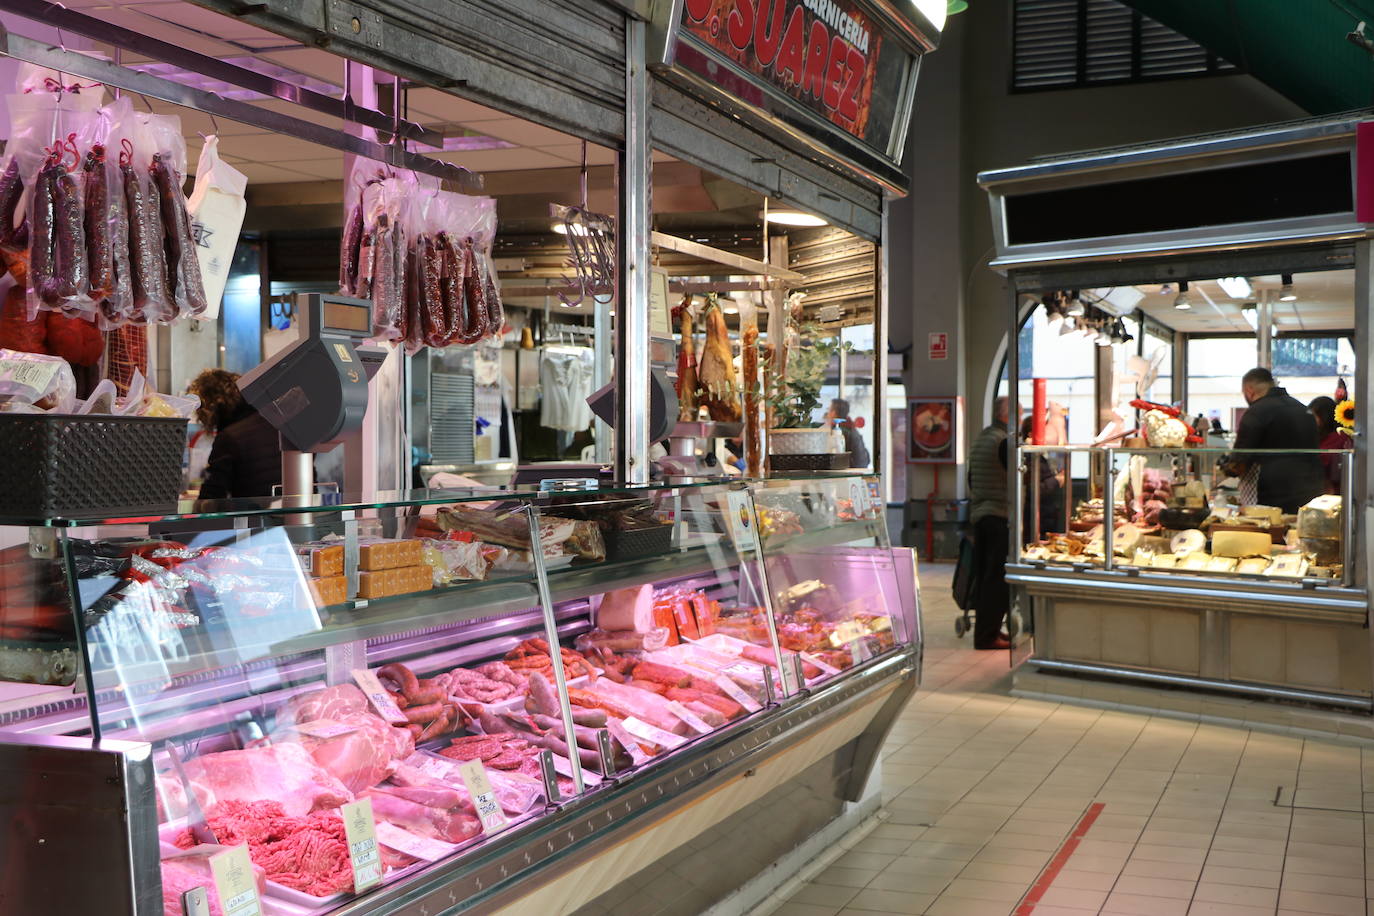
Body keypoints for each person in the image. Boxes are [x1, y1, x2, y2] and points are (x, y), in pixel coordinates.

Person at [1222, 368, 1323, 512]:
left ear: (1249, 390)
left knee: (1268, 533)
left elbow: (1239, 462)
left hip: (1271, 495)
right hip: (1310, 491)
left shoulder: (1256, 412)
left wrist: (1227, 468)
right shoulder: (1303, 409)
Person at [188, 368, 283, 501]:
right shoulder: (277, 423)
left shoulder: (229, 437)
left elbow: (212, 497)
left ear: (209, 406)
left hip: (253, 517)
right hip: (298, 514)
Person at [967, 397, 1010, 650]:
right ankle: (987, 636)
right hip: (998, 514)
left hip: (981, 513)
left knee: (986, 577)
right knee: (996, 580)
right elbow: (1016, 477)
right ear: (1009, 414)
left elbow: (973, 477)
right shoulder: (1003, 440)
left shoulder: (984, 437)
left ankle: (990, 630)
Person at [1020, 416, 1063, 539]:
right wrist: (1056, 480)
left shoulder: (1039, 456)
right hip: (1037, 517)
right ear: (1031, 434)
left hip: (1044, 515)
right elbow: (1034, 489)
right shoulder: (1031, 456)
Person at [1309, 395, 1345, 494]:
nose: (1311, 420)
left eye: (1314, 416)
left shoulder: (1338, 437)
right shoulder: (1320, 437)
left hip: (1333, 491)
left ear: (1324, 416)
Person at [826, 398, 870, 468]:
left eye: (828, 410)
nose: (827, 414)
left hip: (850, 472)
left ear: (833, 413)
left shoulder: (839, 432)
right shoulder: (851, 428)